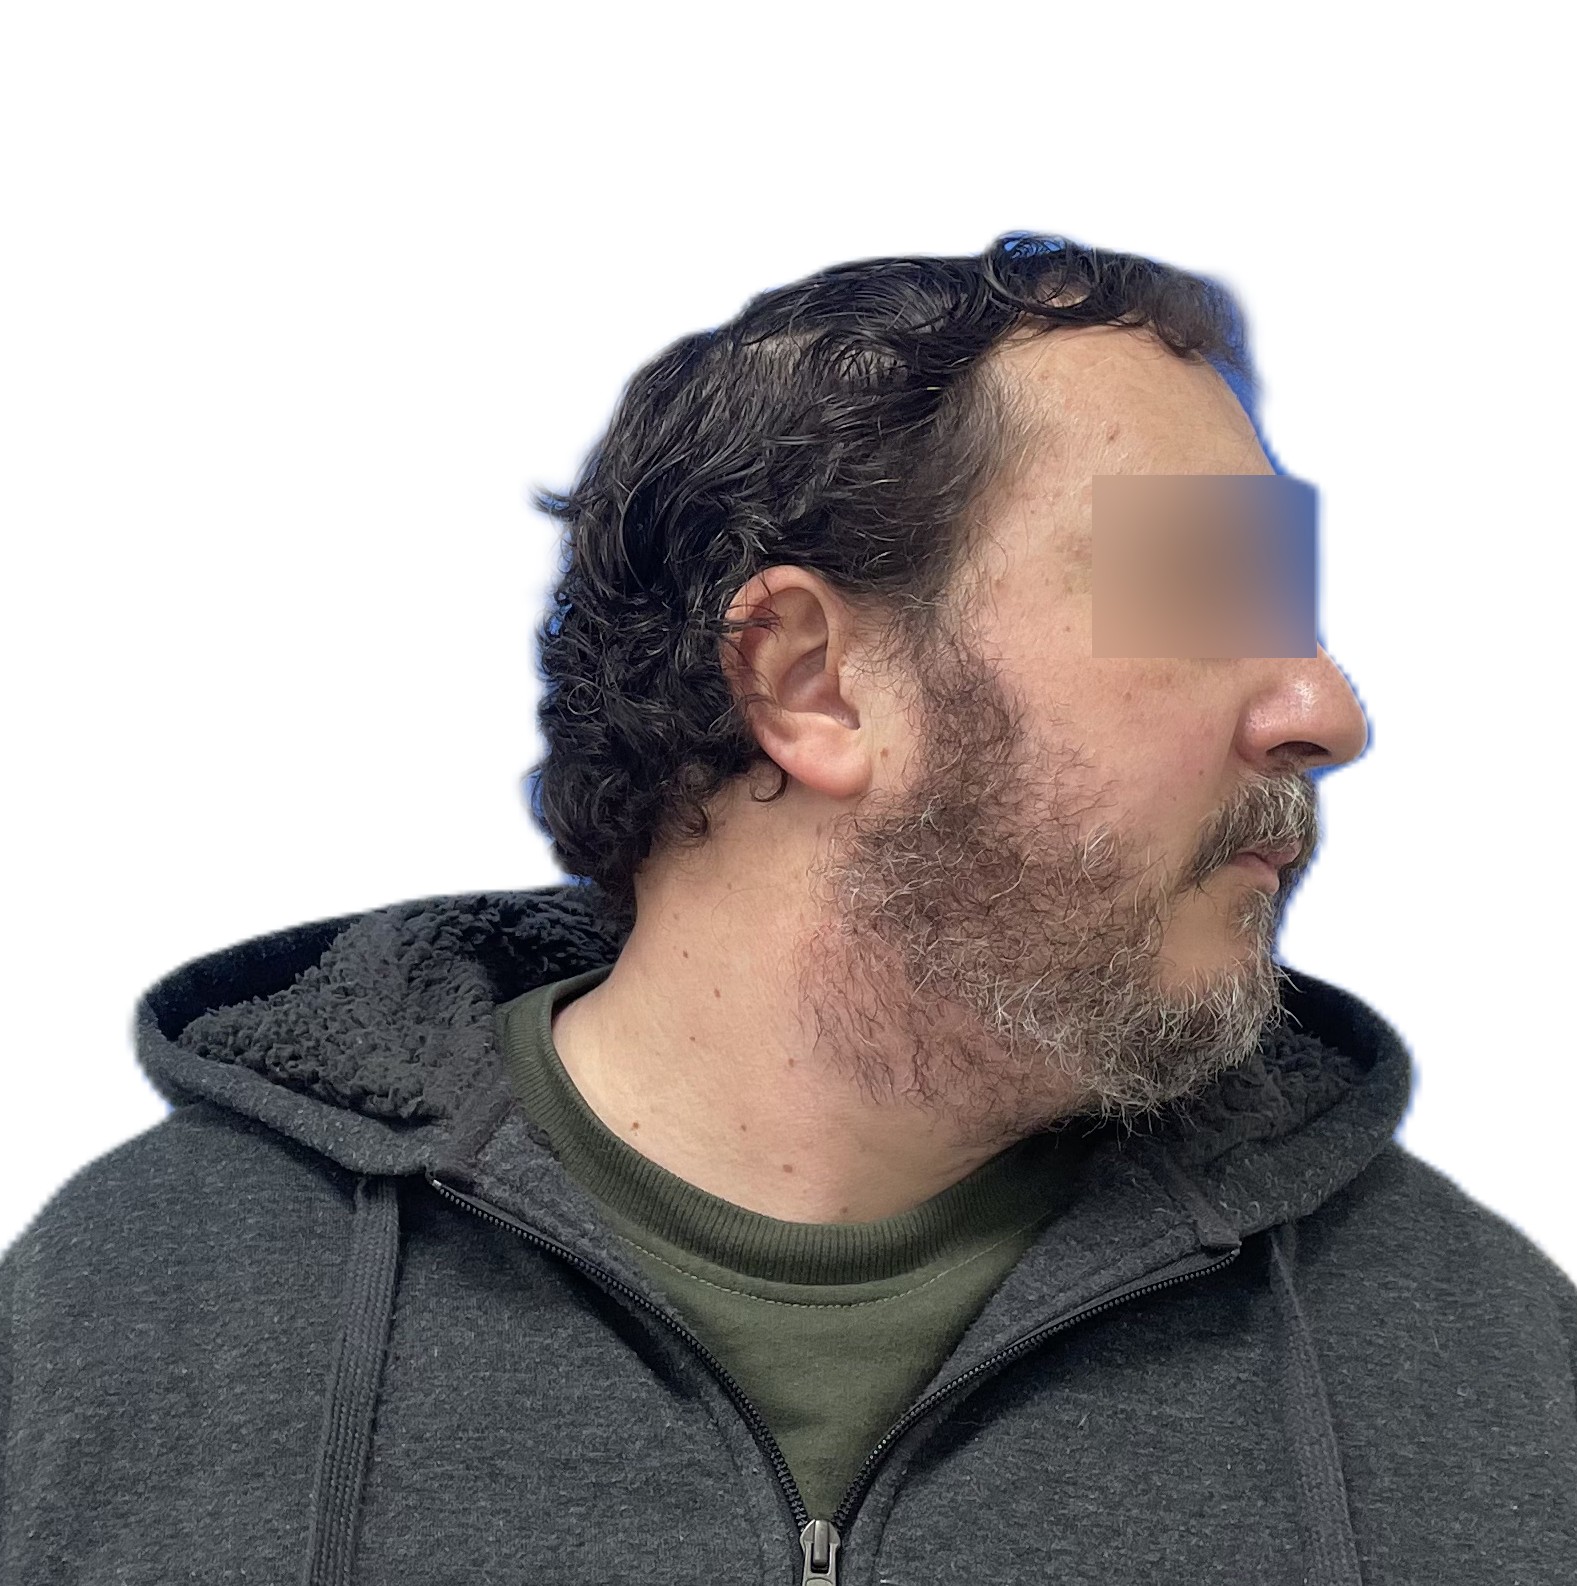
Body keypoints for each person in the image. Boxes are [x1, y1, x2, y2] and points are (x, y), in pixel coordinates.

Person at [2, 234, 1572, 1585]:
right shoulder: (134, 1321)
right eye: (1198, 589)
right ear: (810, 679)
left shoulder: (1477, 1362)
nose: (1323, 709)